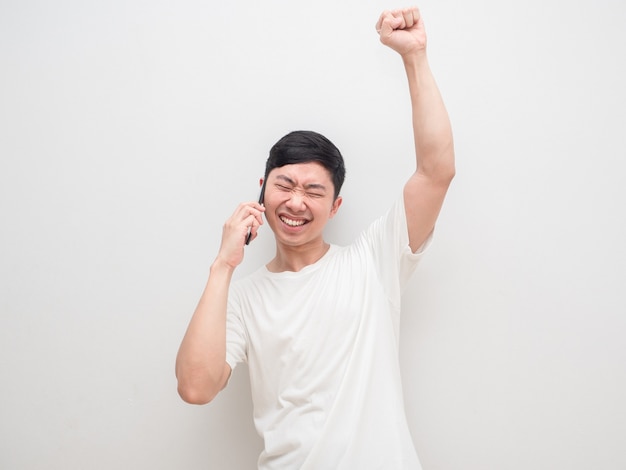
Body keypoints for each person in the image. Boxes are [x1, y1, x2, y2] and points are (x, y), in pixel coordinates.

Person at [176, 6, 455, 469]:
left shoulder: (372, 260)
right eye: (284, 184)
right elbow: (195, 387)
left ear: (335, 206)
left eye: (314, 190)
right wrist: (223, 265)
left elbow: (436, 172)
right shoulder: (243, 299)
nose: (296, 201)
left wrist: (414, 57)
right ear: (261, 191)